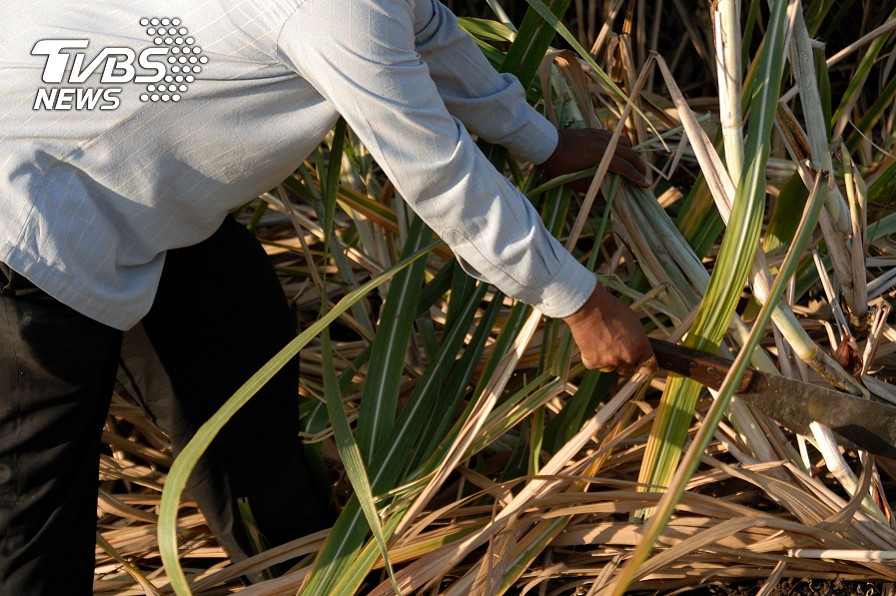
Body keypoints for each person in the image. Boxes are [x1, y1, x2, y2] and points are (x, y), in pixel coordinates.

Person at [0, 0, 654, 593]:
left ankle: (302, 579)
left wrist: (543, 141)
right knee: (30, 520)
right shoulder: (340, 9)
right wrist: (579, 301)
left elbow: (430, 33)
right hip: (26, 221)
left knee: (240, 361)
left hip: (127, 181)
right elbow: (434, 169)